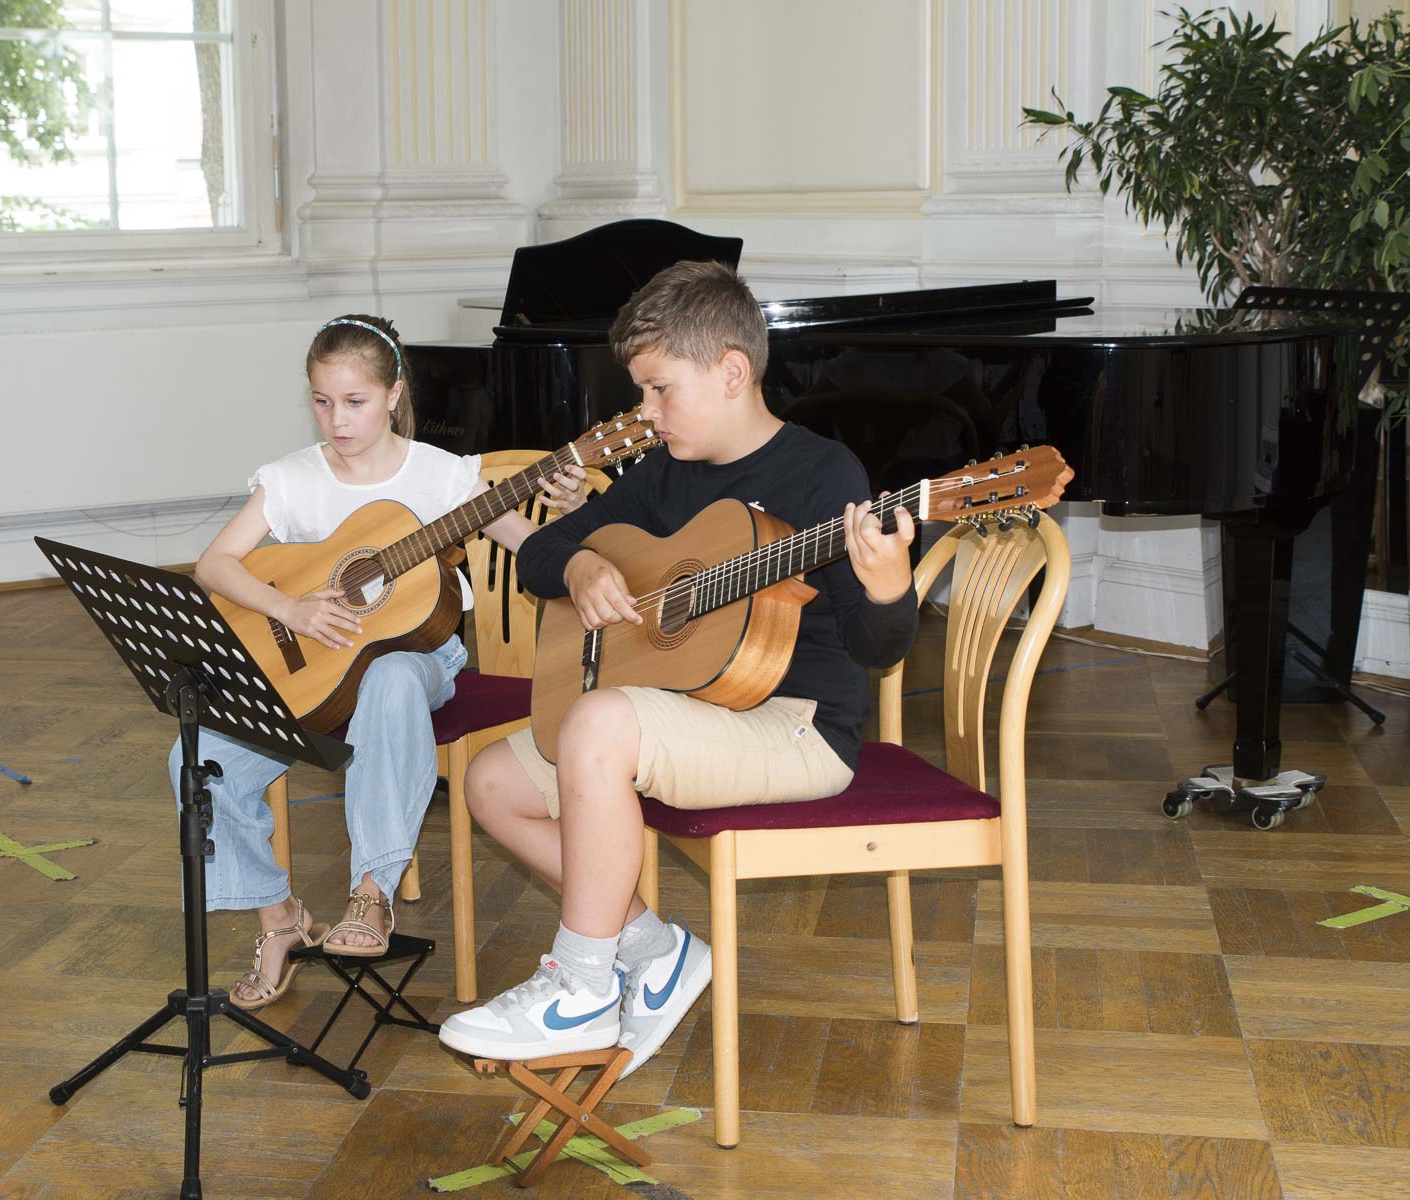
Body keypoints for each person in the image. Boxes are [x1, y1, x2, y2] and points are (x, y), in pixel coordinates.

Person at [438, 262, 920, 1075]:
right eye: (643, 392)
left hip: (796, 727)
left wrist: (889, 585)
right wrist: (584, 565)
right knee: (493, 783)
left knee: (595, 725)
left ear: (731, 372)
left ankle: (581, 987)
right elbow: (546, 551)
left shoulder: (822, 475)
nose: (646, 413)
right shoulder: (665, 472)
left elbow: (878, 649)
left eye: (660, 389)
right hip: (692, 708)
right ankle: (654, 953)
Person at [172, 314, 586, 1011]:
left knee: (389, 677)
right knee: (195, 757)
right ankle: (280, 917)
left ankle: (372, 892)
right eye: (322, 400)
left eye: (355, 401)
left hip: (418, 662)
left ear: (393, 394)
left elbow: (534, 550)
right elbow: (214, 564)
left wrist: (566, 512)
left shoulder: (441, 474)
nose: (337, 419)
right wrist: (288, 609)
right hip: (316, 671)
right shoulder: (293, 478)